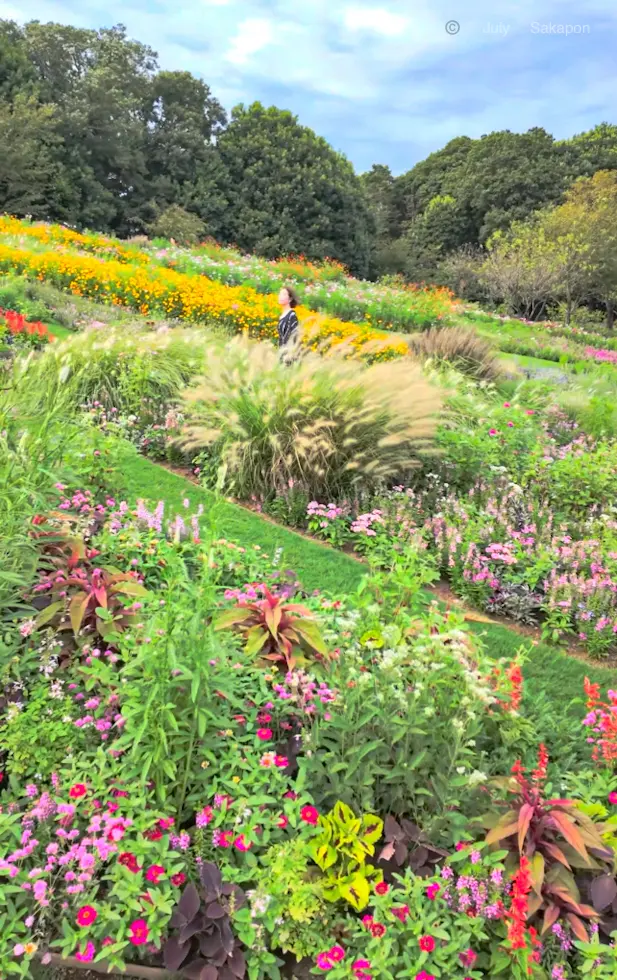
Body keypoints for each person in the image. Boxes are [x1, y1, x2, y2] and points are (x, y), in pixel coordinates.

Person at [277, 286, 300, 362]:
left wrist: (289, 355)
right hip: (282, 354)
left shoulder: (292, 315)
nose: (280, 296)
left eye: (284, 294)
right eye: (280, 294)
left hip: (289, 357)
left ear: (290, 299)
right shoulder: (282, 316)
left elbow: (294, 337)